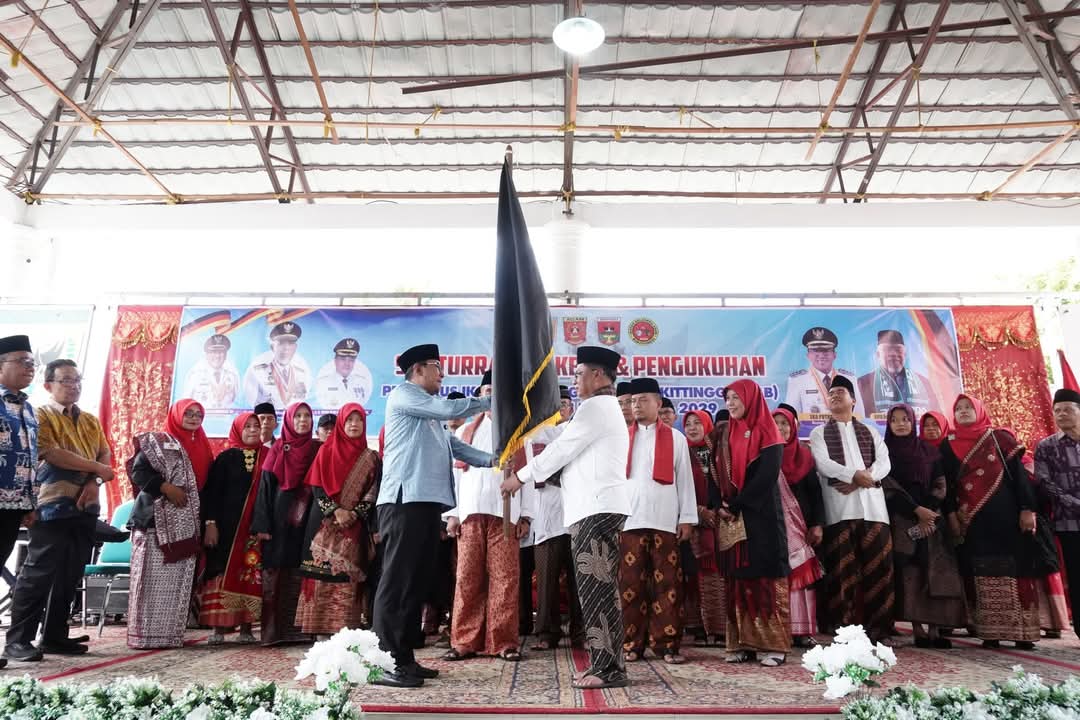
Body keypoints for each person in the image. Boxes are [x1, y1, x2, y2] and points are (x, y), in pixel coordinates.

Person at [504, 345, 631, 690]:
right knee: (598, 590)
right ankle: (607, 664)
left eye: (578, 374)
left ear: (598, 375)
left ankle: (609, 670)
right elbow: (564, 449)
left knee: (597, 591)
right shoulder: (599, 408)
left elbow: (560, 450)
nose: (574, 380)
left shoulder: (596, 408)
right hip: (594, 507)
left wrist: (520, 477)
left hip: (596, 509)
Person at [373, 343, 494, 688]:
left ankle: (404, 658)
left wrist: (494, 459)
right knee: (397, 582)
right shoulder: (405, 396)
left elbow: (456, 446)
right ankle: (385, 661)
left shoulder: (427, 412)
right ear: (418, 370)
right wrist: (490, 400)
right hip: (403, 502)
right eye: (437, 368)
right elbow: (450, 408)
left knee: (415, 582)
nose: (442, 375)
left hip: (425, 504)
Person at [5, 359, 108, 662]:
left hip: (86, 505)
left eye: (77, 380)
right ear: (48, 384)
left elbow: (105, 452)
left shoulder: (90, 420)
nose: (73, 386)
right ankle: (18, 640)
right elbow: (52, 453)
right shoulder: (40, 414)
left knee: (70, 573)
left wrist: (94, 481)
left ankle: (54, 636)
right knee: (38, 572)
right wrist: (98, 469)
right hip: (51, 504)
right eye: (66, 380)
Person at [941, 394, 1056, 649]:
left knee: (1016, 569)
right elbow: (947, 486)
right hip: (972, 520)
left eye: (968, 407)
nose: (963, 411)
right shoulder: (948, 445)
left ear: (980, 410)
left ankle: (1023, 634)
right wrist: (951, 516)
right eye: (958, 408)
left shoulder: (999, 438)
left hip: (1008, 517)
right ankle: (990, 632)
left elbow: (1020, 476)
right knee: (981, 573)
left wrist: (1027, 509)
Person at [443, 370, 534, 662]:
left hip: (506, 516)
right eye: (487, 392)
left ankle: (503, 642)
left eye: (498, 392)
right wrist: (453, 514)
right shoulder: (464, 432)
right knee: (467, 577)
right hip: (470, 514)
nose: (492, 397)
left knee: (505, 579)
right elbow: (453, 478)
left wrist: (526, 516)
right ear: (479, 396)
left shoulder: (519, 433)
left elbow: (528, 476)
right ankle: (464, 641)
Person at [808, 376, 894, 642]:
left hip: (874, 511)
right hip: (839, 511)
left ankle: (879, 630)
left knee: (879, 571)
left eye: (840, 392)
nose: (834, 396)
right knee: (841, 573)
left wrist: (865, 477)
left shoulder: (870, 431)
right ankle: (842, 628)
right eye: (831, 393)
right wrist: (854, 476)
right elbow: (823, 464)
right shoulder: (819, 433)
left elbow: (885, 462)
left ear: (853, 400)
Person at [713, 380, 790, 667]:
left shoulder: (767, 431)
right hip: (733, 518)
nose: (731, 403)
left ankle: (773, 646)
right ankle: (741, 644)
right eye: (728, 398)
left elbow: (767, 475)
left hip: (761, 516)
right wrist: (719, 504)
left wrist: (737, 504)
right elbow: (714, 472)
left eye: (736, 397)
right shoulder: (725, 433)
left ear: (752, 398)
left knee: (764, 579)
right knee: (738, 580)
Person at [620, 377, 696, 665]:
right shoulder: (621, 437)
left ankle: (666, 645)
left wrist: (687, 518)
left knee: (668, 587)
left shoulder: (676, 439)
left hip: (665, 520)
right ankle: (631, 643)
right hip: (629, 521)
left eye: (643, 400)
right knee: (630, 587)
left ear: (658, 403)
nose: (636, 405)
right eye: (633, 401)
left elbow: (685, 481)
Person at [881, 404, 966, 648]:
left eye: (905, 419)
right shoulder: (884, 453)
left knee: (935, 571)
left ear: (912, 422)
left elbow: (940, 484)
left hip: (931, 520)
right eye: (895, 420)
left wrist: (928, 511)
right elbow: (887, 487)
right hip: (901, 519)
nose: (900, 424)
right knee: (910, 573)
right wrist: (916, 511)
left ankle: (935, 629)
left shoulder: (930, 451)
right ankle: (917, 629)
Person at [296, 403, 381, 637]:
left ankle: (345, 632)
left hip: (355, 527)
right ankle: (320, 632)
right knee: (321, 577)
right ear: (342, 424)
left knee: (348, 579)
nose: (354, 424)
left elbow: (373, 491)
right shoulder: (326, 451)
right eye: (349, 420)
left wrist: (354, 514)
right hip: (323, 525)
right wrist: (336, 511)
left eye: (359, 420)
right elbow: (317, 488)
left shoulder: (371, 457)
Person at [125, 401, 205, 649]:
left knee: (177, 584)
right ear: (176, 415)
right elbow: (138, 472)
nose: (193, 418)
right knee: (149, 581)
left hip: (186, 524)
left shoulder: (203, 447)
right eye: (188, 413)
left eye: (198, 414)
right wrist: (165, 487)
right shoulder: (158, 442)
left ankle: (170, 635)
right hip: (153, 521)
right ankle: (144, 635)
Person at [250, 401, 320, 646]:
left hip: (309, 522)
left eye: (307, 416)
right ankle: (274, 632)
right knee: (276, 574)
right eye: (297, 416)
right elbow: (264, 490)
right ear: (289, 420)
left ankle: (301, 631)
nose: (303, 420)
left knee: (304, 572)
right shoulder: (278, 450)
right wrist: (262, 526)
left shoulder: (317, 449)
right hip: (279, 524)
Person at [198, 412, 266, 645]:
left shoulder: (268, 456)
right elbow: (212, 494)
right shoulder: (225, 458)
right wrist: (210, 524)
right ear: (237, 429)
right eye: (247, 426)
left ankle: (246, 629)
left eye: (256, 426)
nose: (253, 430)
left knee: (250, 575)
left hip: (254, 528)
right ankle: (218, 628)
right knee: (222, 572)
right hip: (226, 530)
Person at [526, 391, 585, 652]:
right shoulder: (536, 434)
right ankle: (546, 632)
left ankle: (581, 631)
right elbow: (534, 470)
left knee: (579, 578)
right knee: (545, 578)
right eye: (555, 404)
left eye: (565, 404)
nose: (560, 408)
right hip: (546, 517)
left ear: (572, 407)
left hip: (578, 514)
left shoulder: (579, 431)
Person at [0, 335, 39, 665]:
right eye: (22, 362)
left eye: (32, 363)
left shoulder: (26, 408)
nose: (30, 367)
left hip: (15, 506)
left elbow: (30, 457)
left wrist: (30, 503)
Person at [771, 405, 824, 648]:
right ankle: (780, 628)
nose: (780, 428)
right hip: (773, 527)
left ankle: (802, 630)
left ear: (793, 427)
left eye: (785, 423)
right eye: (776, 423)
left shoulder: (804, 456)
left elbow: (816, 494)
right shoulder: (765, 454)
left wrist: (817, 525)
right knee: (777, 577)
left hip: (801, 527)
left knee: (801, 575)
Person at [1035, 388, 1080, 636]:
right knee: (1077, 576)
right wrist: (1073, 503)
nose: (1062, 414)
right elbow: (1045, 482)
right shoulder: (1046, 446)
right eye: (1057, 410)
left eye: (1068, 410)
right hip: (1068, 523)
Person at [683, 409, 725, 647]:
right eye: (688, 423)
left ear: (708, 425)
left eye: (697, 423)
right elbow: (676, 486)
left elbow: (728, 484)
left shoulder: (719, 452)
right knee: (691, 576)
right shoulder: (681, 452)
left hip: (719, 522)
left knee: (717, 579)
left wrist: (716, 510)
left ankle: (719, 629)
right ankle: (696, 626)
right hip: (690, 524)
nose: (692, 428)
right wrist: (699, 512)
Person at [857, 330, 939, 418]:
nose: (893, 354)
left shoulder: (923, 383)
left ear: (905, 354)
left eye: (898, 350)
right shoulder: (863, 383)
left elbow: (936, 415)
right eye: (887, 350)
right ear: (878, 354)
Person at [785, 327, 862, 418]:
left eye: (826, 350)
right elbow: (791, 417)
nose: (821, 355)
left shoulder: (849, 379)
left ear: (834, 354)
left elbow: (859, 415)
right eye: (815, 350)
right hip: (811, 428)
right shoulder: (798, 380)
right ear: (808, 355)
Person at [244, 322, 311, 408]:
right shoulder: (258, 372)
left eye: (290, 343)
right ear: (272, 347)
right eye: (281, 343)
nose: (286, 348)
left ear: (295, 347)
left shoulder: (302, 373)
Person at [182, 334, 241, 409]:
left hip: (227, 416)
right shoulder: (195, 375)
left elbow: (238, 403)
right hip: (202, 416)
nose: (217, 356)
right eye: (214, 352)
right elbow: (185, 403)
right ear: (206, 355)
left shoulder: (233, 376)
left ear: (226, 355)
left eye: (221, 352)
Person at [315, 338, 375, 409]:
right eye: (343, 359)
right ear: (335, 361)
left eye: (351, 360)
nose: (347, 364)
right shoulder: (323, 383)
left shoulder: (362, 382)